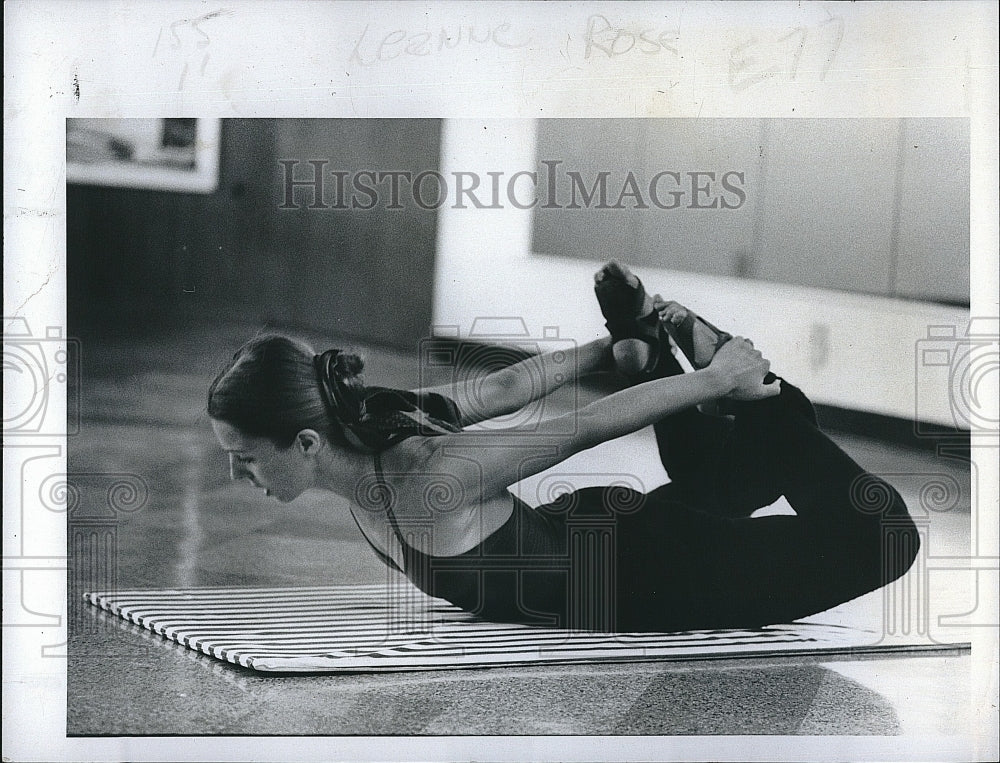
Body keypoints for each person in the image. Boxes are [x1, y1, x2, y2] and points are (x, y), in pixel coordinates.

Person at [208, 261, 920, 633]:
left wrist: (716, 377)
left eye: (243, 454)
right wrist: (604, 348)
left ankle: (743, 384)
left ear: (304, 442)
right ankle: (652, 344)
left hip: (659, 574)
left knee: (884, 537)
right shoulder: (380, 428)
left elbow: (586, 426)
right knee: (723, 477)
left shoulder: (428, 478)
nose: (237, 472)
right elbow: (500, 389)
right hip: (622, 541)